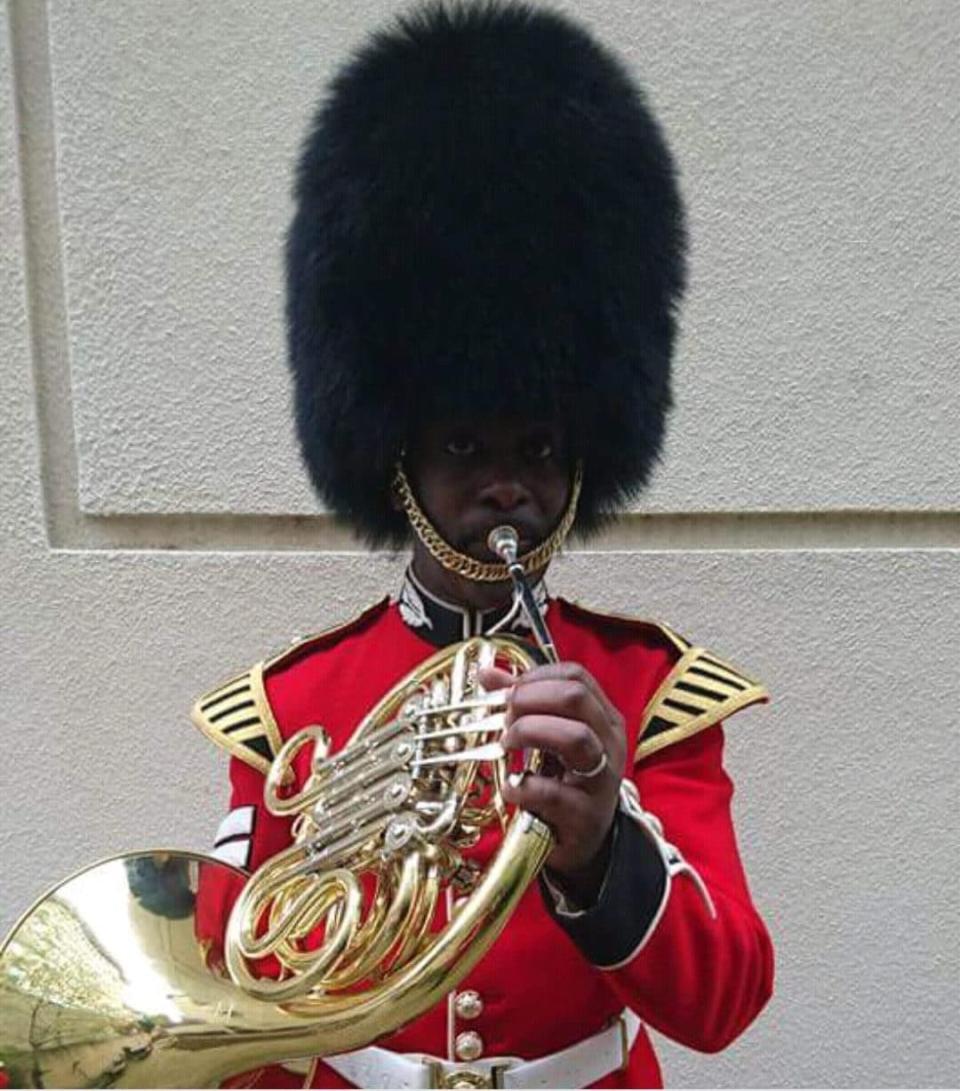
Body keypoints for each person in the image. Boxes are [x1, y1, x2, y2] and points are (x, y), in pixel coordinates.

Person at [193, 3, 774, 1087]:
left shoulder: (650, 692)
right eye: (463, 442)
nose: (506, 480)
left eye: (539, 445)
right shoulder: (290, 706)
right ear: (394, 453)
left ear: (583, 457)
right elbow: (239, 985)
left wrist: (604, 845)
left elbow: (725, 996)